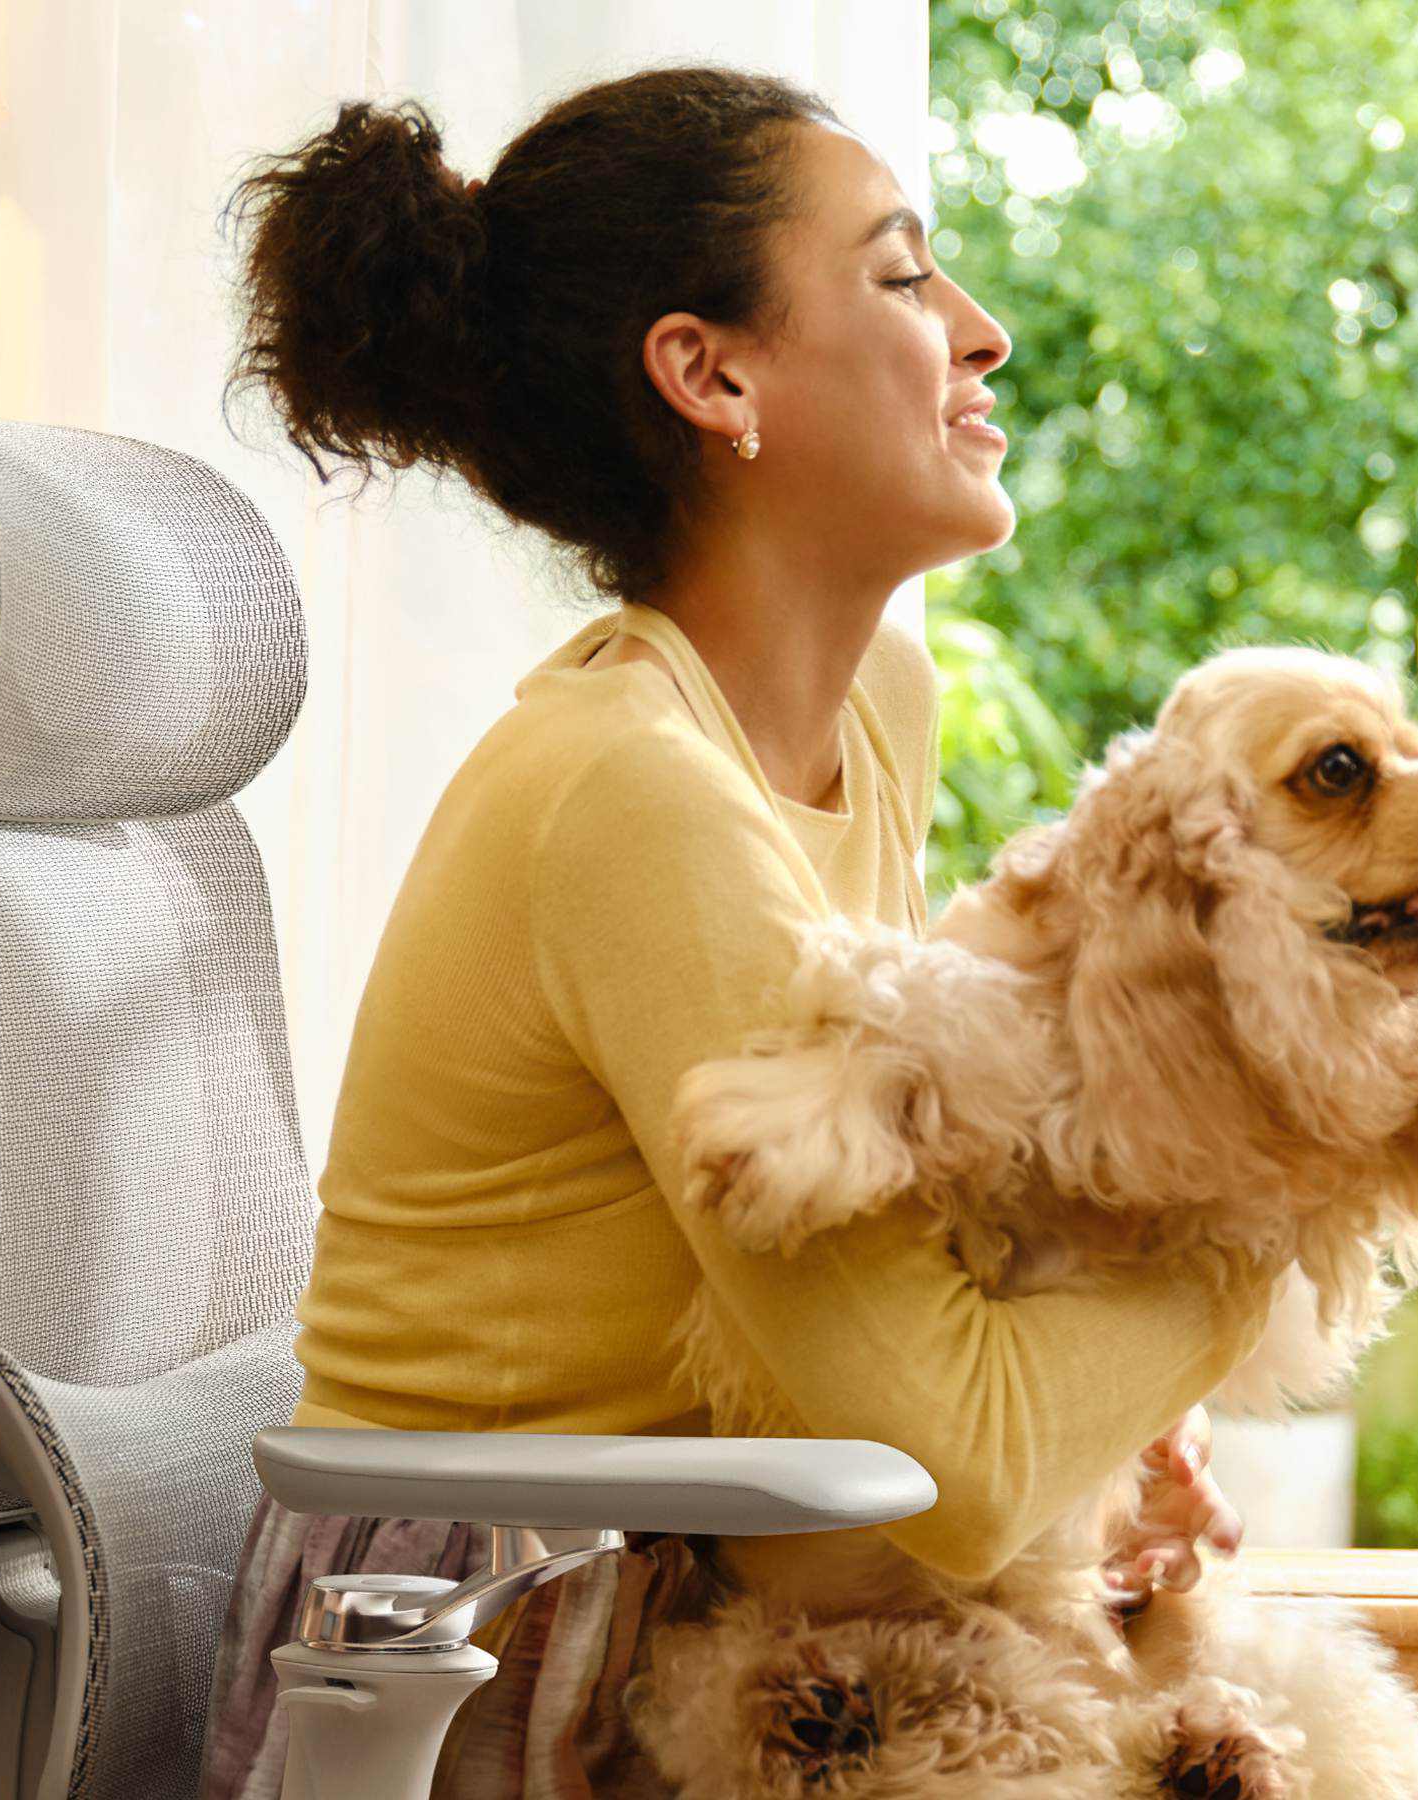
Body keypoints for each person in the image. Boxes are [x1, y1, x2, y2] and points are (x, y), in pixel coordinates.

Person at [204, 68, 1286, 1800]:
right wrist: (1271, 1245)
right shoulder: (628, 796)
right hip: (510, 1640)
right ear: (714, 375)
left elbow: (925, 1331)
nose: (982, 331)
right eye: (905, 276)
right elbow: (961, 1453)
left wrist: (1117, 1425)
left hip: (739, 1572)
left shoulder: (874, 703)